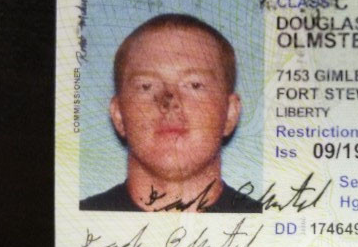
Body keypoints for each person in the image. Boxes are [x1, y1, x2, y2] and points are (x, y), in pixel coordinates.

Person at [80, 14, 261, 213]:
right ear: (118, 115)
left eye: (194, 85)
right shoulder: (77, 221)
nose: (169, 102)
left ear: (230, 114)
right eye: (146, 86)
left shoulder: (267, 225)